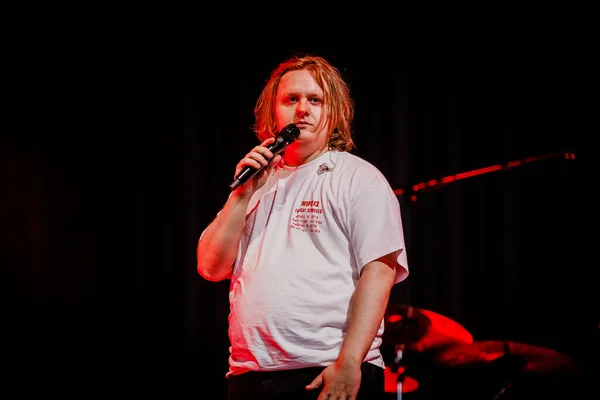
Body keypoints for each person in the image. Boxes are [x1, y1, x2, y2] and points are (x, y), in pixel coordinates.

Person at [197, 54, 409, 399]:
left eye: (315, 100)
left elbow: (379, 272)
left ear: (334, 111)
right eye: (291, 99)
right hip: (250, 373)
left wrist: (350, 362)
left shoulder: (358, 178)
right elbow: (210, 266)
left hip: (326, 369)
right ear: (273, 111)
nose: (302, 110)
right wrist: (240, 197)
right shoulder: (257, 182)